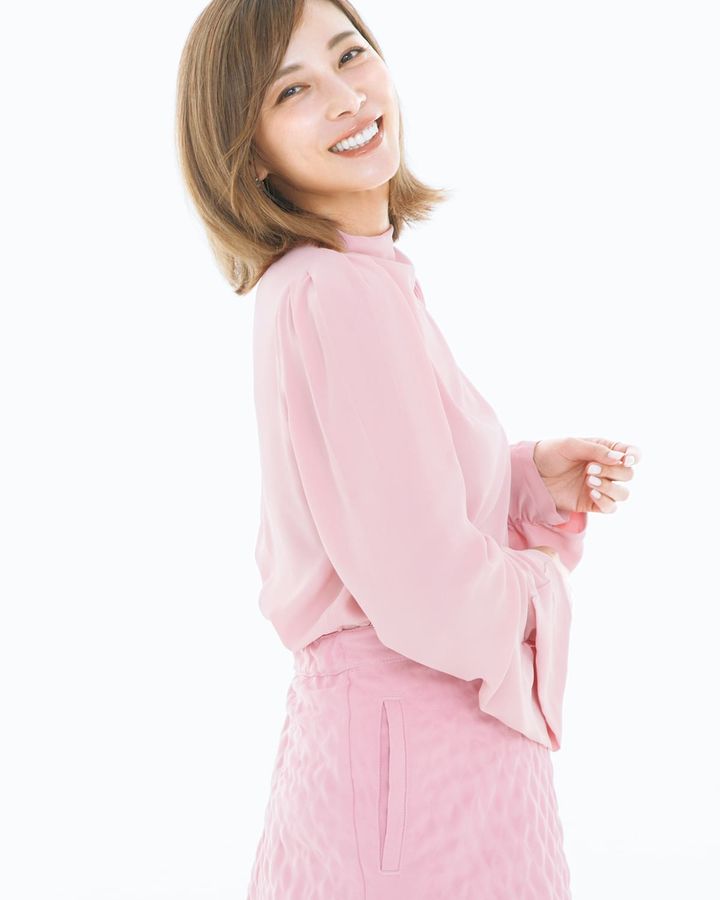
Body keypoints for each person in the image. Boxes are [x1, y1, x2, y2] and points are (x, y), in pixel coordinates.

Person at [175, 1, 640, 896]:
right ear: (248, 152)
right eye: (292, 90)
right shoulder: (336, 293)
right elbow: (425, 585)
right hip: (416, 763)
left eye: (351, 55)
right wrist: (538, 587)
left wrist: (523, 480)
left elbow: (378, 507)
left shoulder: (348, 278)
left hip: (401, 753)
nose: (346, 96)